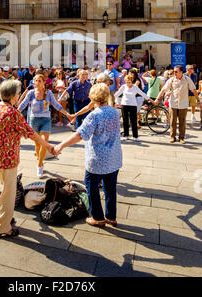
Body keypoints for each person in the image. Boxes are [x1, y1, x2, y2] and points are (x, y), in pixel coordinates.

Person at [0, 80, 55, 239]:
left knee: (6, 189)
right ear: (11, 96)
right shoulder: (12, 112)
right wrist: (47, 145)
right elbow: (30, 132)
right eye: (17, 94)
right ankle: (4, 227)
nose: (18, 96)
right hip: (8, 158)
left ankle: (7, 218)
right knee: (8, 194)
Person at [54, 84, 122, 228]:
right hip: (114, 157)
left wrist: (61, 145)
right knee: (110, 188)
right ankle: (111, 216)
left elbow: (80, 135)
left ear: (92, 98)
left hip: (97, 159)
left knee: (91, 187)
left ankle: (97, 217)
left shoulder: (94, 115)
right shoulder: (114, 112)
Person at [18, 72, 72, 178]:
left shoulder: (48, 93)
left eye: (39, 81)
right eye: (35, 81)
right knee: (37, 145)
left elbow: (56, 105)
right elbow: (23, 104)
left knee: (43, 143)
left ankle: (39, 166)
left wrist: (67, 114)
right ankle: (40, 158)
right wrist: (15, 113)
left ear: (43, 83)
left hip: (46, 120)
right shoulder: (31, 93)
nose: (36, 83)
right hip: (34, 120)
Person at [154, 65, 202, 144]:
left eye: (176, 71)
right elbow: (163, 90)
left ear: (181, 72)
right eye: (174, 71)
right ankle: (172, 137)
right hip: (173, 103)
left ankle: (181, 138)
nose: (174, 73)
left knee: (182, 122)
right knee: (172, 121)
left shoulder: (187, 79)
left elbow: (194, 90)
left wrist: (198, 100)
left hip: (183, 104)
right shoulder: (171, 80)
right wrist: (157, 98)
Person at [114, 74, 154, 142]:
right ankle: (126, 135)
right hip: (124, 105)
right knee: (125, 121)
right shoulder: (123, 87)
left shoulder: (135, 87)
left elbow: (143, 94)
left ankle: (135, 136)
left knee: (133, 121)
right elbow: (116, 94)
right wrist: (114, 102)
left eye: (129, 82)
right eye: (126, 82)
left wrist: (152, 101)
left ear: (132, 81)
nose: (128, 83)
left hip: (133, 105)